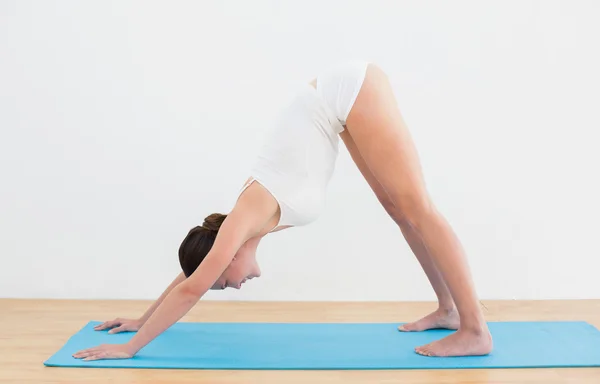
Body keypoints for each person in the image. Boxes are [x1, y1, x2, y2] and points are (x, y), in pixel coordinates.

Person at [73, 61, 492, 361]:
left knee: (418, 208)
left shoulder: (242, 220)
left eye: (222, 281)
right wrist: (140, 319)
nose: (230, 287)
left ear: (228, 255)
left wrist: (132, 347)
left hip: (346, 91)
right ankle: (449, 310)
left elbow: (191, 288)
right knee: (398, 209)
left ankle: (475, 330)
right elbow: (191, 275)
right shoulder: (245, 230)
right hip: (335, 110)